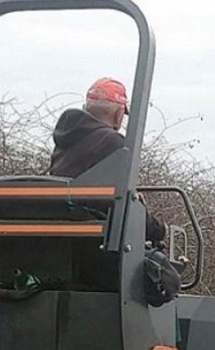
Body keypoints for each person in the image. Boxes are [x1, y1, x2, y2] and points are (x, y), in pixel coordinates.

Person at [48, 77, 166, 244]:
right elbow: (122, 204)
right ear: (118, 114)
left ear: (86, 108)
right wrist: (157, 228)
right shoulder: (113, 142)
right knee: (159, 266)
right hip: (93, 244)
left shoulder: (65, 139)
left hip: (55, 234)